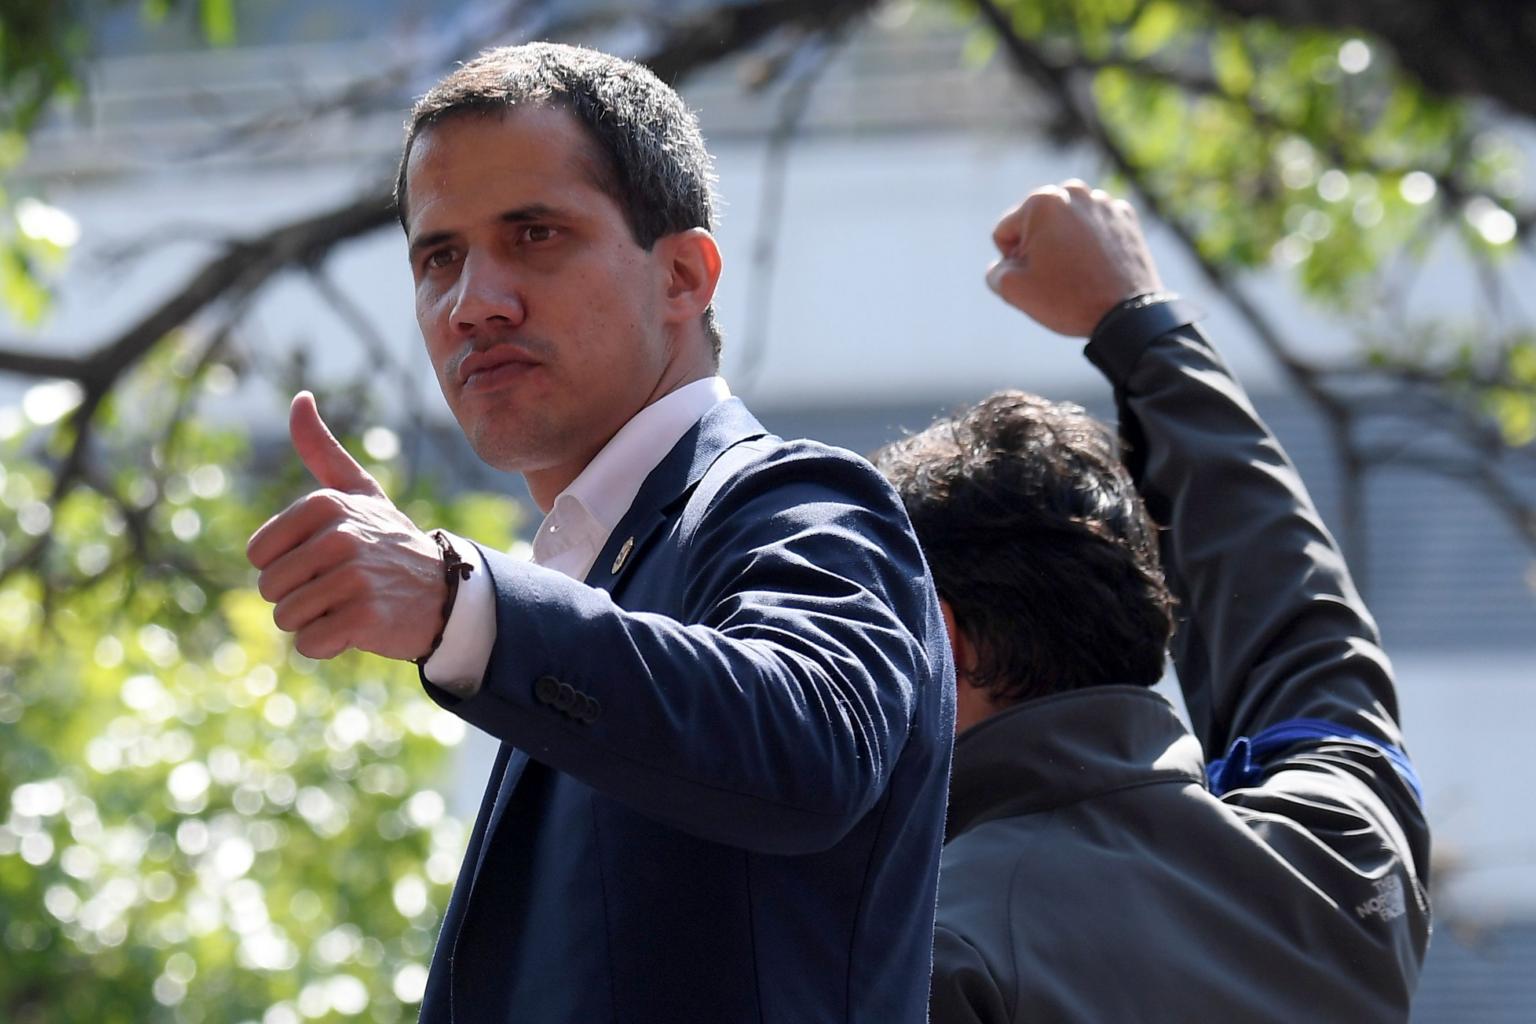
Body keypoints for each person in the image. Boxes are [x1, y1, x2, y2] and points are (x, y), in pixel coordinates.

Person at [245, 43, 954, 1023]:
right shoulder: (585, 580)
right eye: (439, 258)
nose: (473, 304)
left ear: (684, 276)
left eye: (535, 234)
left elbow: (814, 745)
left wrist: (460, 604)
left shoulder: (793, 499)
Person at [873, 182, 1430, 1022]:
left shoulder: (924, 958)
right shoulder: (1338, 867)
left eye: (870, 631)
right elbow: (1305, 636)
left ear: (943, 644)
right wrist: (1139, 319)